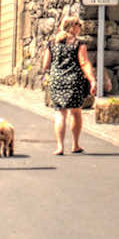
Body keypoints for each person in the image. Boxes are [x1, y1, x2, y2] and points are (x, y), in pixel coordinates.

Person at [37, 16, 94, 155]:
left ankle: (60, 147)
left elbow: (45, 65)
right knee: (75, 112)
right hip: (74, 81)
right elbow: (84, 63)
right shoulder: (78, 44)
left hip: (57, 81)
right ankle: (75, 144)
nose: (80, 28)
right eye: (79, 25)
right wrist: (92, 79)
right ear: (73, 27)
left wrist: (50, 74)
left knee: (60, 113)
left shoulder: (52, 43)